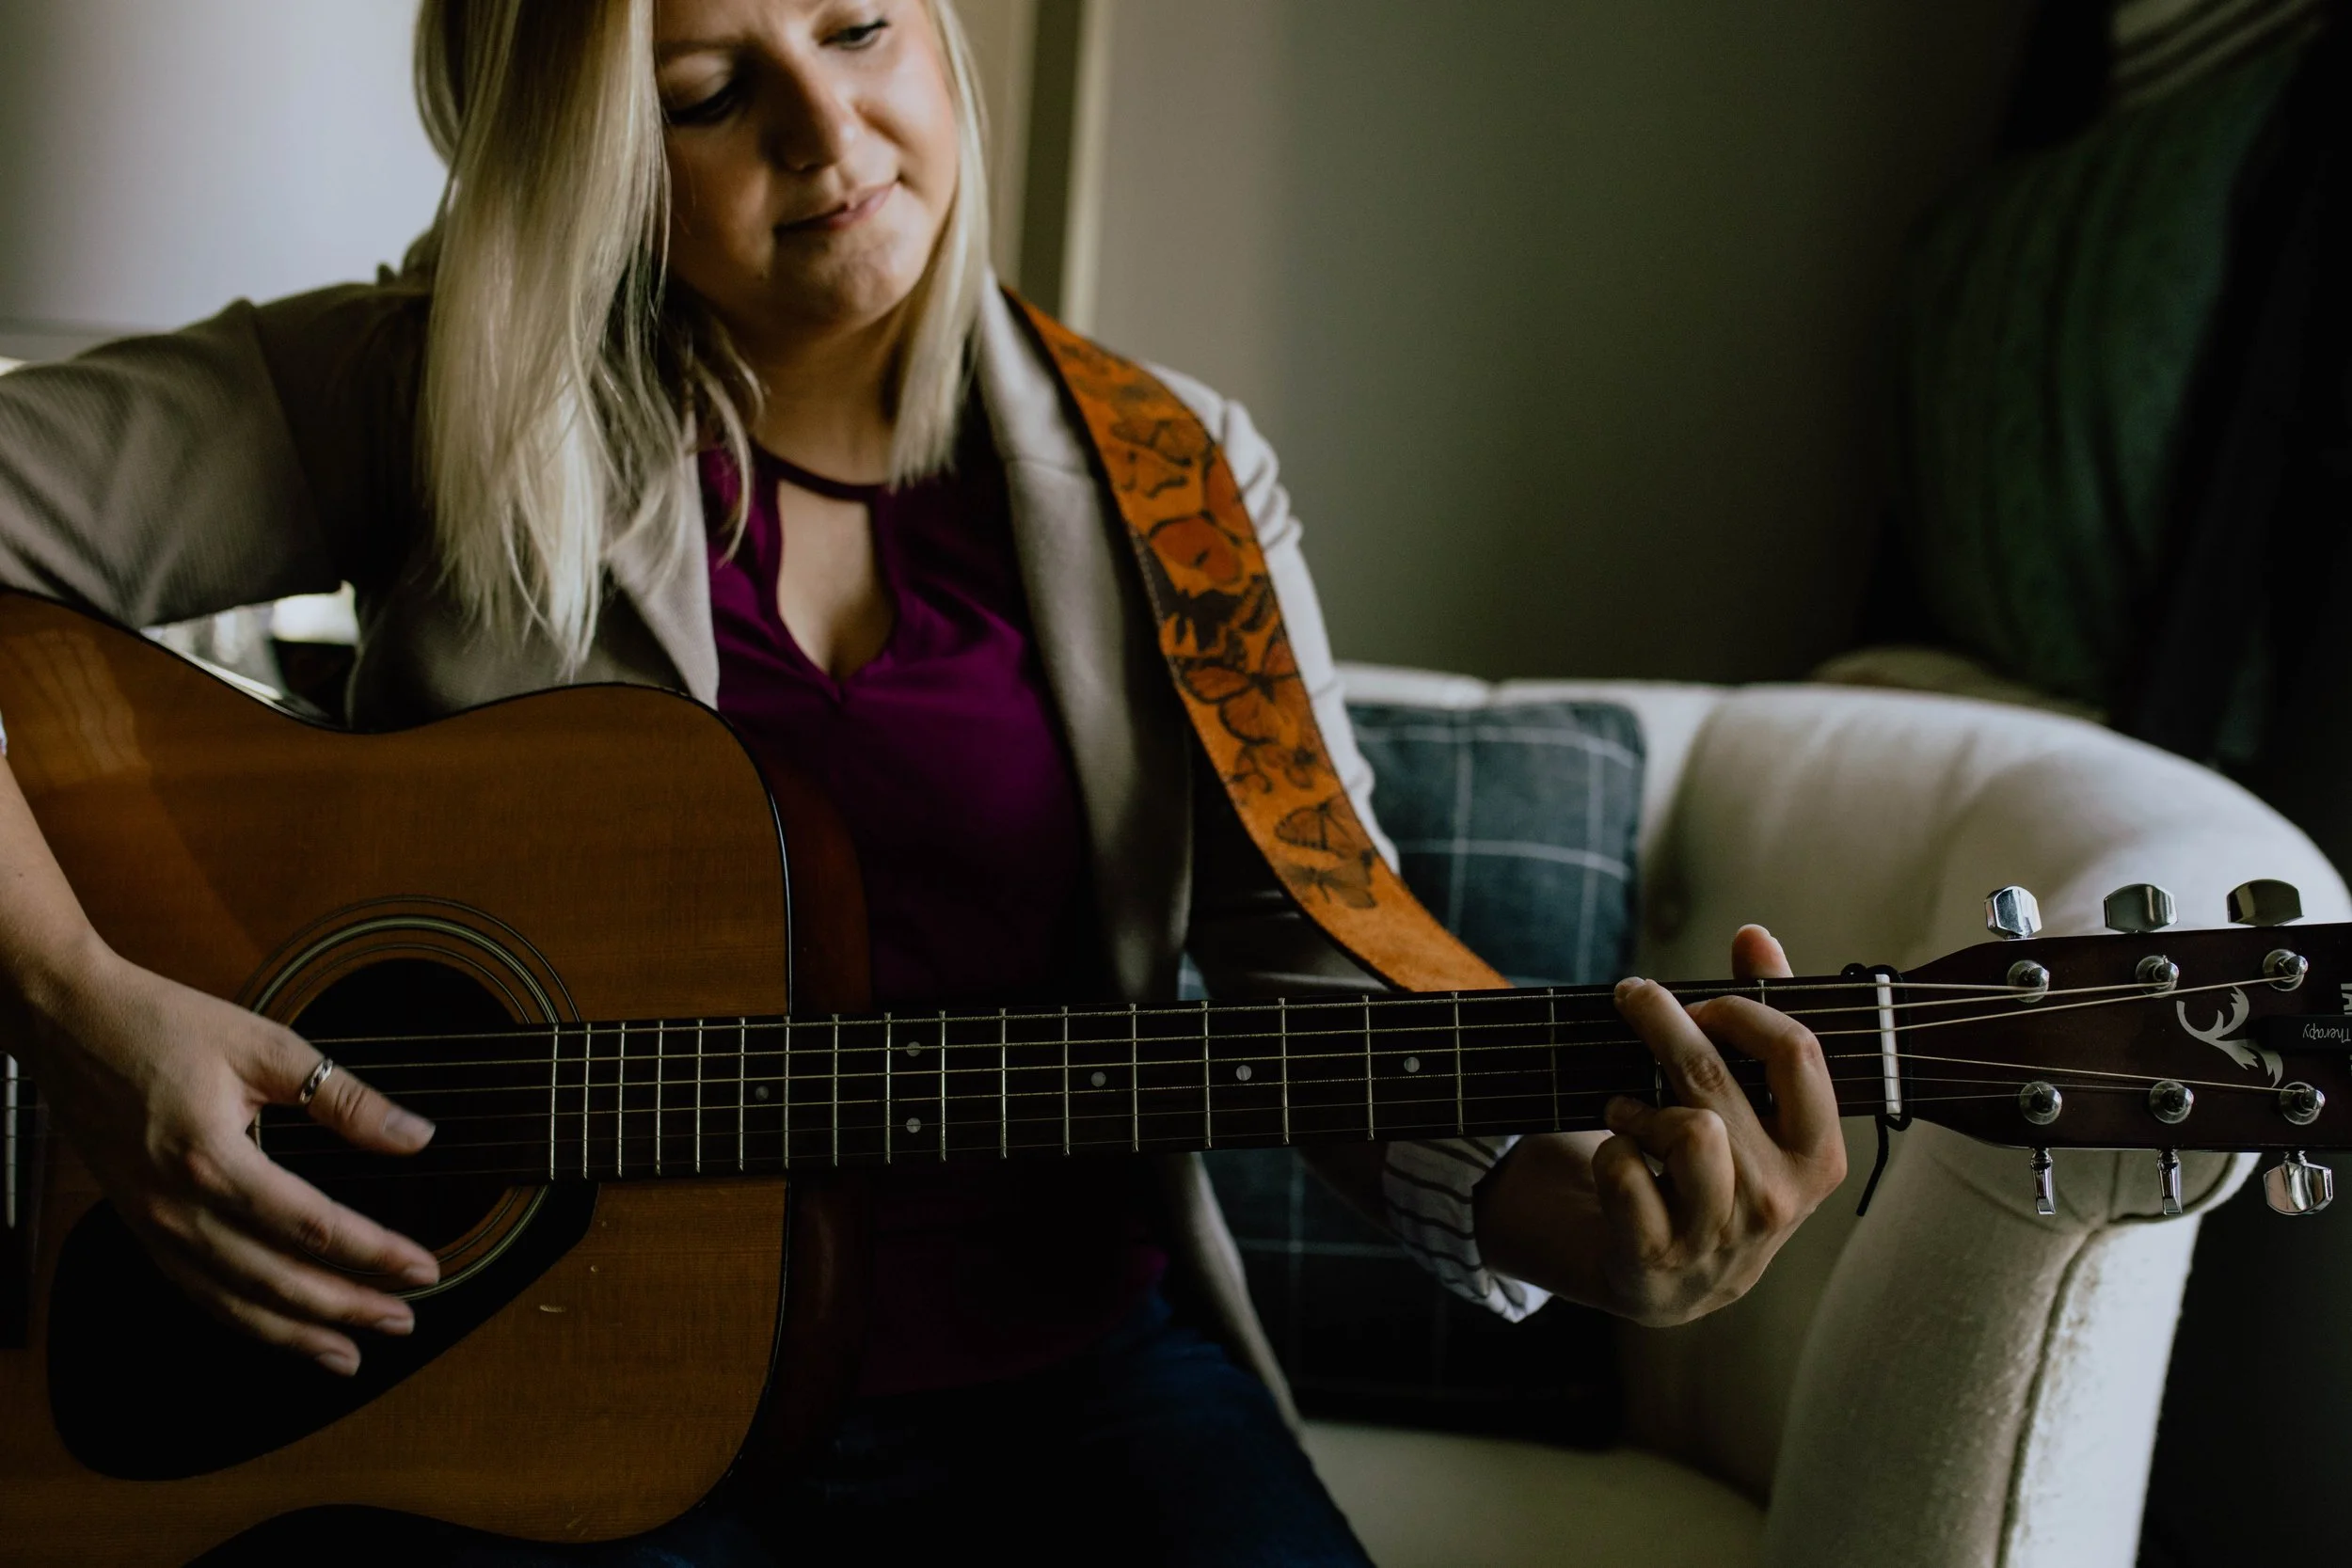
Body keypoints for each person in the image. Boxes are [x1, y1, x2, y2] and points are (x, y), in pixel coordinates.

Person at [0, 1, 1848, 1562]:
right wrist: (78, 996)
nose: (830, 128)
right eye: (705, 91)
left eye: (860, 22)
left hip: (1074, 1392)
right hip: (521, 1397)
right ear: (587, 164)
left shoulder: (1171, 470)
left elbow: (1309, 960)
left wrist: (1569, 1211)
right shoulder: (417, 389)